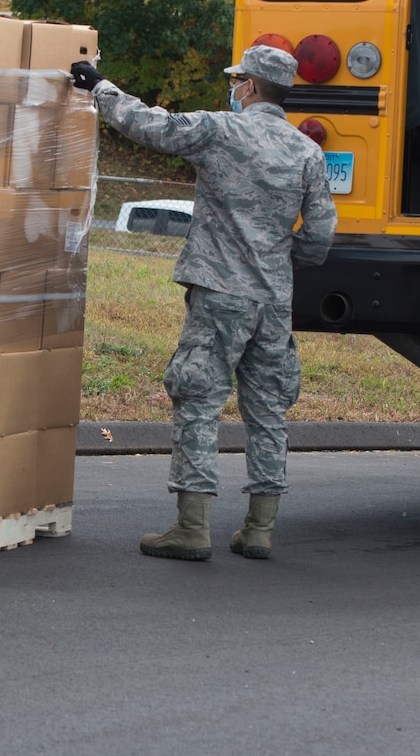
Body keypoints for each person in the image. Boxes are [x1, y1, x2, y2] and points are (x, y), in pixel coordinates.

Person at [70, 44, 337, 562]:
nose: (233, 88)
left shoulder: (222, 129)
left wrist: (100, 88)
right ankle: (259, 530)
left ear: (251, 87)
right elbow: (321, 236)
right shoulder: (307, 152)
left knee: (198, 401)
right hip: (273, 301)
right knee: (268, 411)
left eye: (238, 81)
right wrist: (282, 263)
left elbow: (152, 126)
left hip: (220, 294)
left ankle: (192, 528)